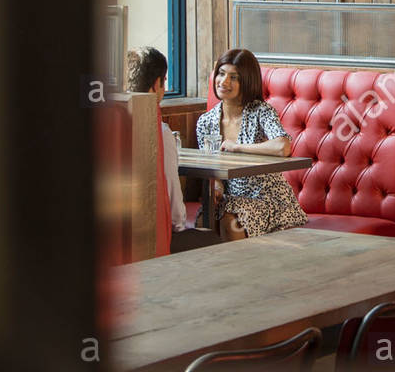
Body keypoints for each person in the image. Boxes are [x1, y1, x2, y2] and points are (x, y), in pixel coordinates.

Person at [195, 48, 308, 241]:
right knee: (201, 224)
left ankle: (240, 271)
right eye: (221, 74)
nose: (224, 82)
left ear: (246, 81)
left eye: (234, 77)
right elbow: (211, 167)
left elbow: (283, 147)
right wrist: (217, 187)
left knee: (231, 222)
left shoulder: (261, 111)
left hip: (268, 200)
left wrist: (237, 147)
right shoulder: (205, 122)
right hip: (229, 199)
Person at [125, 46, 218, 253]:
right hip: (150, 239)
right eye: (164, 81)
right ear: (158, 83)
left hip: (119, 237)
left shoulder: (114, 119)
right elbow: (169, 190)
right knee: (213, 241)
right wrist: (179, 225)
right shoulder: (159, 131)